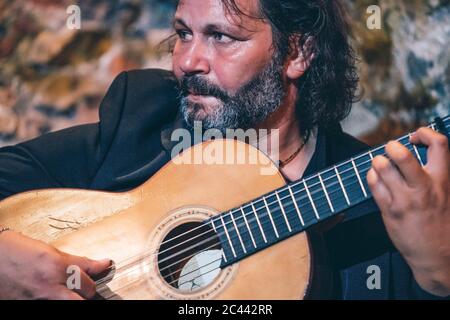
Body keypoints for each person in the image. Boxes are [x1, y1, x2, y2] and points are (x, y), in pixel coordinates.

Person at [0, 0, 448, 300]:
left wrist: (438, 269)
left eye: (221, 37)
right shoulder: (140, 120)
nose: (187, 61)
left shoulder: (382, 198)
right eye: (183, 33)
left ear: (298, 53)